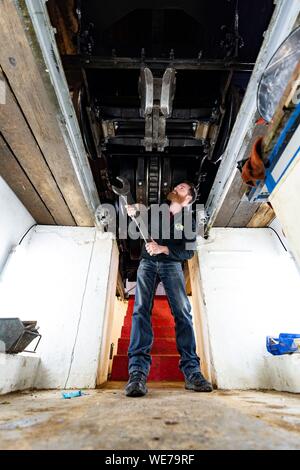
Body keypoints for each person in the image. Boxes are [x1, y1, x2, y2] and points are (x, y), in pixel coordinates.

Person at [124, 181, 213, 397]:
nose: (177, 188)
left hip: (171, 264)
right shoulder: (156, 212)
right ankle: (137, 373)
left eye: (182, 188)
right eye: (177, 186)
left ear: (189, 199)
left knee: (182, 313)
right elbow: (139, 219)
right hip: (147, 263)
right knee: (140, 310)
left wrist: (163, 248)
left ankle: (192, 372)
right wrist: (133, 211)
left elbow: (188, 253)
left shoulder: (189, 220)